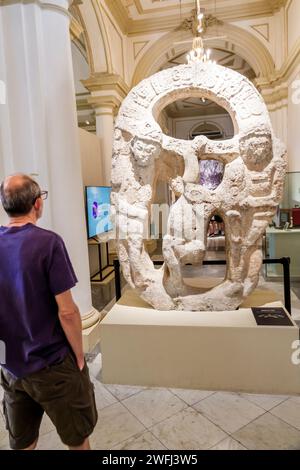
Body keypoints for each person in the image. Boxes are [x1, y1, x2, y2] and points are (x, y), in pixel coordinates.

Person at [0, 174, 97, 450]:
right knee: (77, 438)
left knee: (23, 443)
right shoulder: (48, 243)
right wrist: (79, 354)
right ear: (37, 204)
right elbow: (67, 312)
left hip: (10, 367)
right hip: (51, 363)